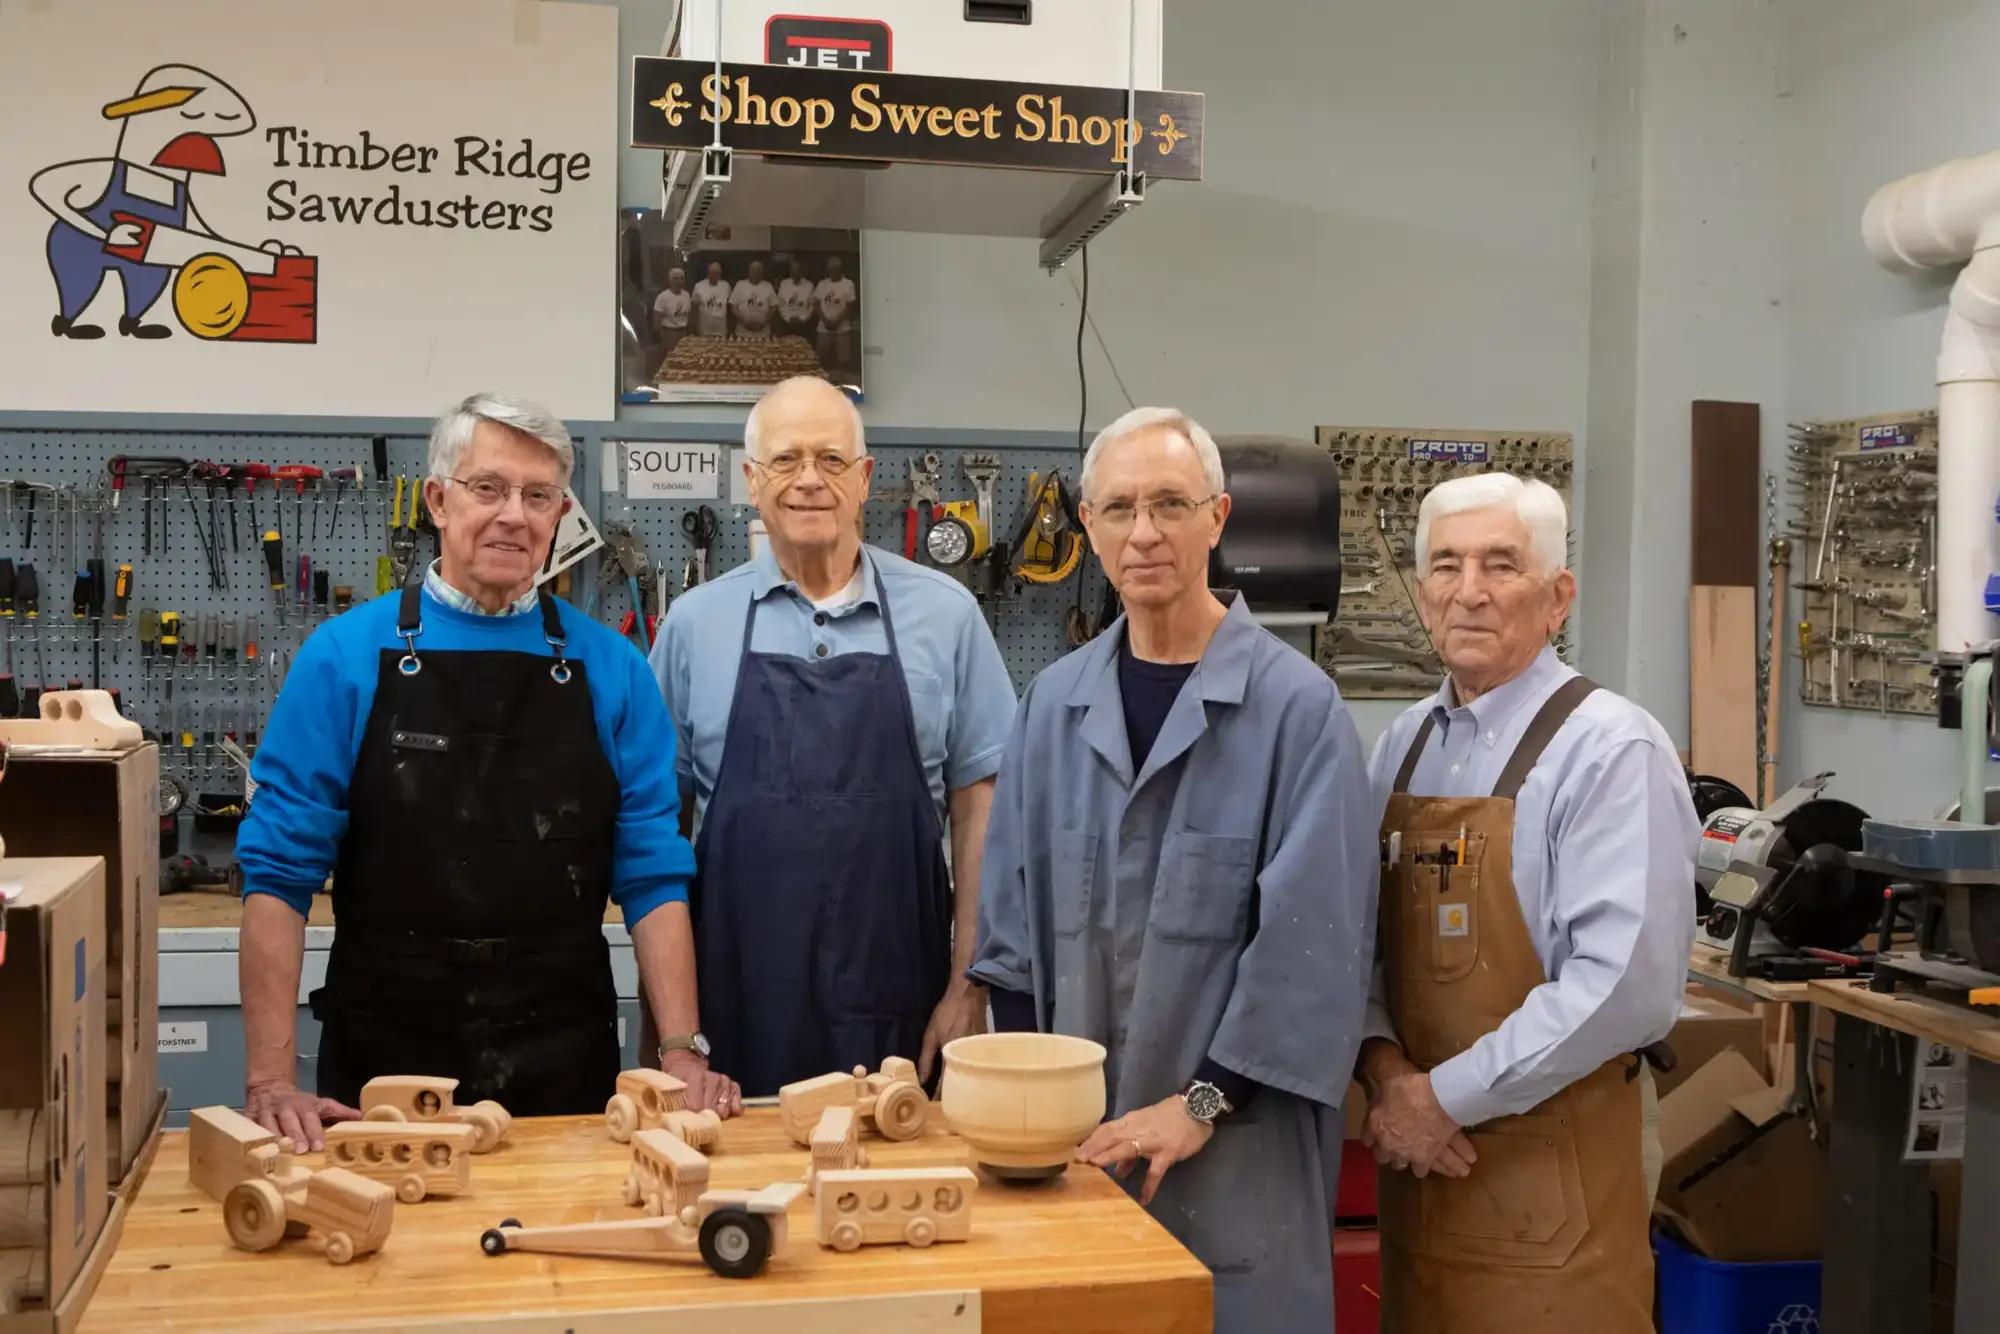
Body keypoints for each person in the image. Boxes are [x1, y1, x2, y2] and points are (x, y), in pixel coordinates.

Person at [234, 393, 740, 1151]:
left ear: (560, 515)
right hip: (386, 1057)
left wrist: (680, 1052)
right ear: (438, 499)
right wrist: (271, 1083)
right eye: (489, 488)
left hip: (564, 1050)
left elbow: (654, 876)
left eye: (538, 496)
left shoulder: (614, 669)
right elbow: (277, 878)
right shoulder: (343, 657)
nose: (514, 515)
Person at [970, 407, 1377, 1334]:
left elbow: (1315, 957)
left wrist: (1199, 1104)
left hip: (1235, 1157)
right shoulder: (1051, 707)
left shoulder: (1298, 714)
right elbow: (1011, 933)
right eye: (1118, 509)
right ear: (1087, 527)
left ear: (1218, 517)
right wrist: (1035, 1119)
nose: (1143, 532)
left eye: (1169, 504)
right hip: (1074, 1157)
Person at [1356, 472, 1697, 1333]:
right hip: (1421, 1177)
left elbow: (1622, 988)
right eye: (1445, 566)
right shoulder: (1402, 746)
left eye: (1501, 565)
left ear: (1558, 597)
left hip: (1559, 1192)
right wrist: (1385, 1070)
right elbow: (1357, 944)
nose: (1468, 592)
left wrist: (1440, 1099)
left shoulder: (1610, 748)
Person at [648, 376, 1018, 1096]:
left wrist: (967, 988)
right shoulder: (695, 625)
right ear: (752, 481)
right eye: (786, 461)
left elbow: (982, 810)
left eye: (831, 459)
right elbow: (659, 835)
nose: (809, 480)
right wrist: (678, 1036)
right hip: (735, 1016)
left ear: (866, 479)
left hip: (902, 1014)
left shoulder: (947, 615)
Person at [813, 256, 857, 370]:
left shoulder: (848, 284)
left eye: (835, 268)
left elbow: (850, 305)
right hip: (823, 327)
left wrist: (837, 321)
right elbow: (817, 303)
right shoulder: (822, 284)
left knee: (843, 359)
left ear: (840, 269)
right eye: (830, 268)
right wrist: (825, 320)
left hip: (842, 327)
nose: (832, 271)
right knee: (822, 358)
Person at [729, 259, 778, 341]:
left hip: (762, 332)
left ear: (762, 272)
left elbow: (774, 307)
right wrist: (745, 321)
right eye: (754, 270)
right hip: (743, 332)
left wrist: (764, 323)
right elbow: (733, 307)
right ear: (749, 271)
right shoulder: (740, 285)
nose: (756, 273)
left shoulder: (768, 286)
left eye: (759, 271)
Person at [652, 266, 690, 359]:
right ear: (670, 280)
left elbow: (688, 314)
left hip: (683, 333)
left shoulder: (686, 295)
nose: (679, 281)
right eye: (676, 278)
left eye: (681, 278)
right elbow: (656, 320)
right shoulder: (663, 297)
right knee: (670, 360)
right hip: (669, 333)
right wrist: (663, 339)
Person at [778, 258, 816, 342]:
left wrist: (802, 319)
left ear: (801, 271)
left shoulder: (809, 285)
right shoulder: (784, 284)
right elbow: (780, 304)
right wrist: (788, 318)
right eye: (793, 270)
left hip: (803, 325)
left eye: (797, 270)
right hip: (786, 324)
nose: (795, 273)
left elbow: (812, 305)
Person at [692, 260, 731, 338]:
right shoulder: (699, 286)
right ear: (708, 273)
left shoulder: (726, 286)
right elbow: (694, 307)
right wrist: (693, 327)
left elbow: (729, 306)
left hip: (721, 329)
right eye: (711, 273)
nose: (713, 275)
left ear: (719, 274)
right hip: (704, 330)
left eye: (716, 273)